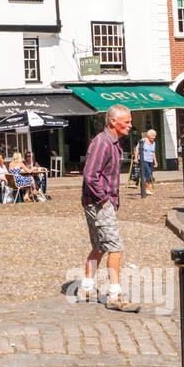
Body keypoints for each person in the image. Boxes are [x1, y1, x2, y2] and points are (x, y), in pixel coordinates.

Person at [75, 104, 139, 312]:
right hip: (98, 203)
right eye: (127, 121)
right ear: (113, 121)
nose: (130, 125)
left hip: (97, 202)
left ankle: (85, 288)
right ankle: (115, 294)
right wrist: (104, 199)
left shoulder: (112, 143)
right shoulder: (103, 142)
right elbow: (90, 175)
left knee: (99, 246)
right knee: (115, 247)